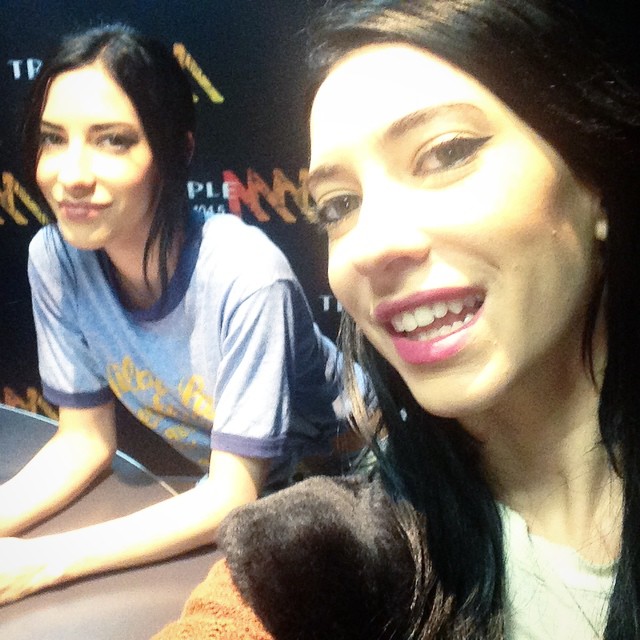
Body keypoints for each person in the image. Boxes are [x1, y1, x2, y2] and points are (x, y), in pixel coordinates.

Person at [153, 1, 640, 639]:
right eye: (339, 205)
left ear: (594, 179)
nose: (371, 245)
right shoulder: (322, 559)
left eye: (447, 153)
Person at [0, 24, 361, 605]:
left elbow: (231, 495)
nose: (71, 175)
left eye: (112, 141)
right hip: (252, 498)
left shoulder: (247, 275)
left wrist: (38, 565)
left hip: (362, 478)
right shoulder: (57, 258)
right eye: (52, 139)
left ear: (175, 152)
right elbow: (84, 440)